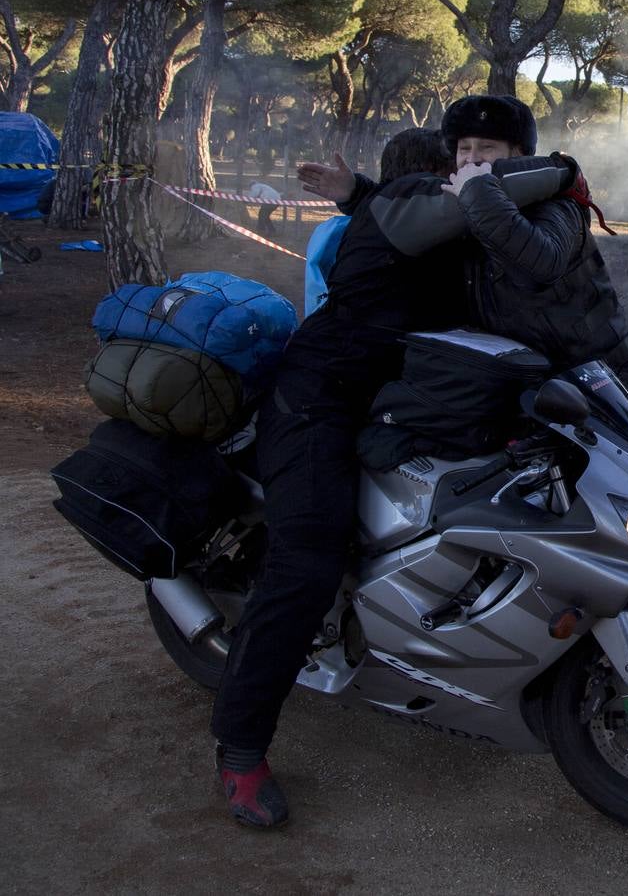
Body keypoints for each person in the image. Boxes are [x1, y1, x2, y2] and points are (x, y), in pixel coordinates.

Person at [210, 128, 570, 829]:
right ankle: (240, 749)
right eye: (457, 169)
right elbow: (437, 206)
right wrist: (567, 169)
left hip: (383, 402)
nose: (467, 178)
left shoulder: (394, 210)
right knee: (308, 558)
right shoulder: (413, 203)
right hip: (316, 400)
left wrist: (355, 192)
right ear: (435, 180)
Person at [299, 94, 628, 417]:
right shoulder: (471, 202)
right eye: (463, 148)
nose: (471, 159)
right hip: (535, 381)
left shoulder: (557, 206)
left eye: (487, 148)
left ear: (519, 154)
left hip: (600, 377)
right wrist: (356, 193)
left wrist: (479, 194)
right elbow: (421, 216)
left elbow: (539, 263)